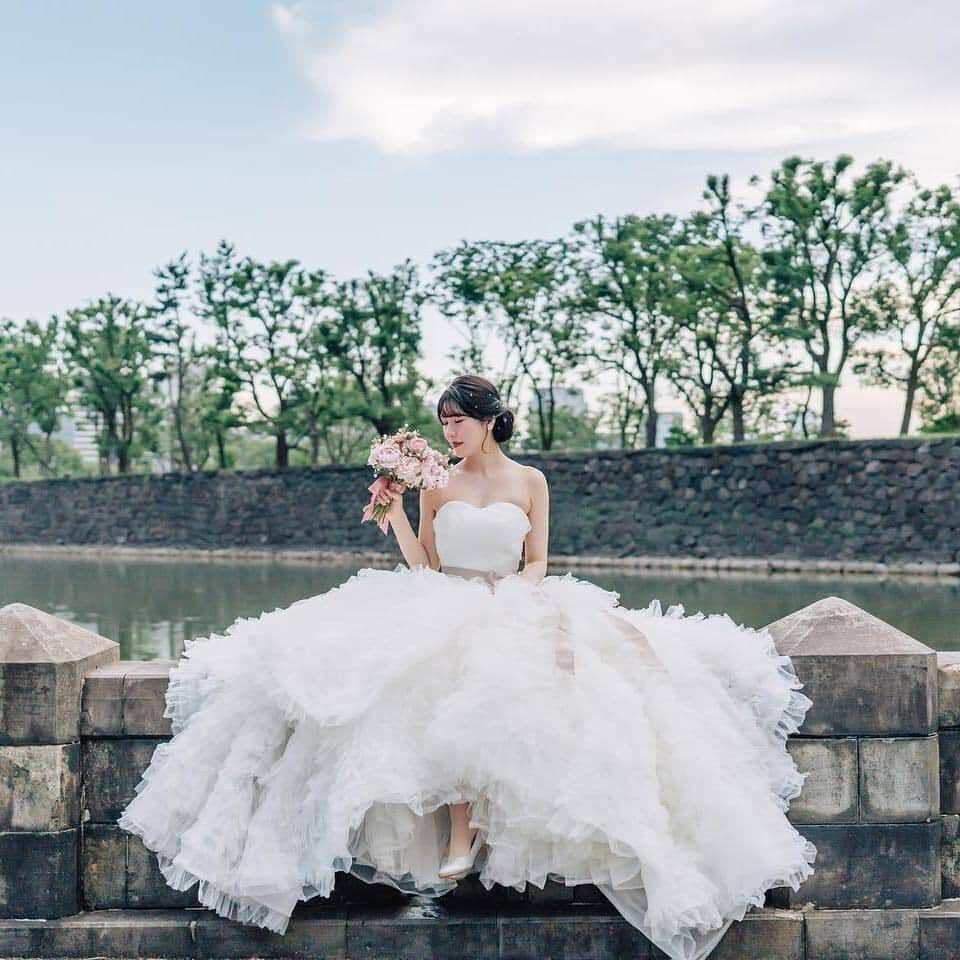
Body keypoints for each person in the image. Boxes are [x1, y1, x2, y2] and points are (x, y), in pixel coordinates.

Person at [117, 373, 817, 960]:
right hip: (444, 598)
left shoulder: (532, 481)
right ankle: (456, 830)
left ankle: (481, 828)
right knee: (430, 678)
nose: (449, 433)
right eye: (443, 422)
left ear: (489, 422)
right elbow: (424, 561)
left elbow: (538, 557)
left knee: (566, 684)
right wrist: (391, 510)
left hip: (516, 598)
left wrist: (520, 595)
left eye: (459, 421)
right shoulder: (435, 484)